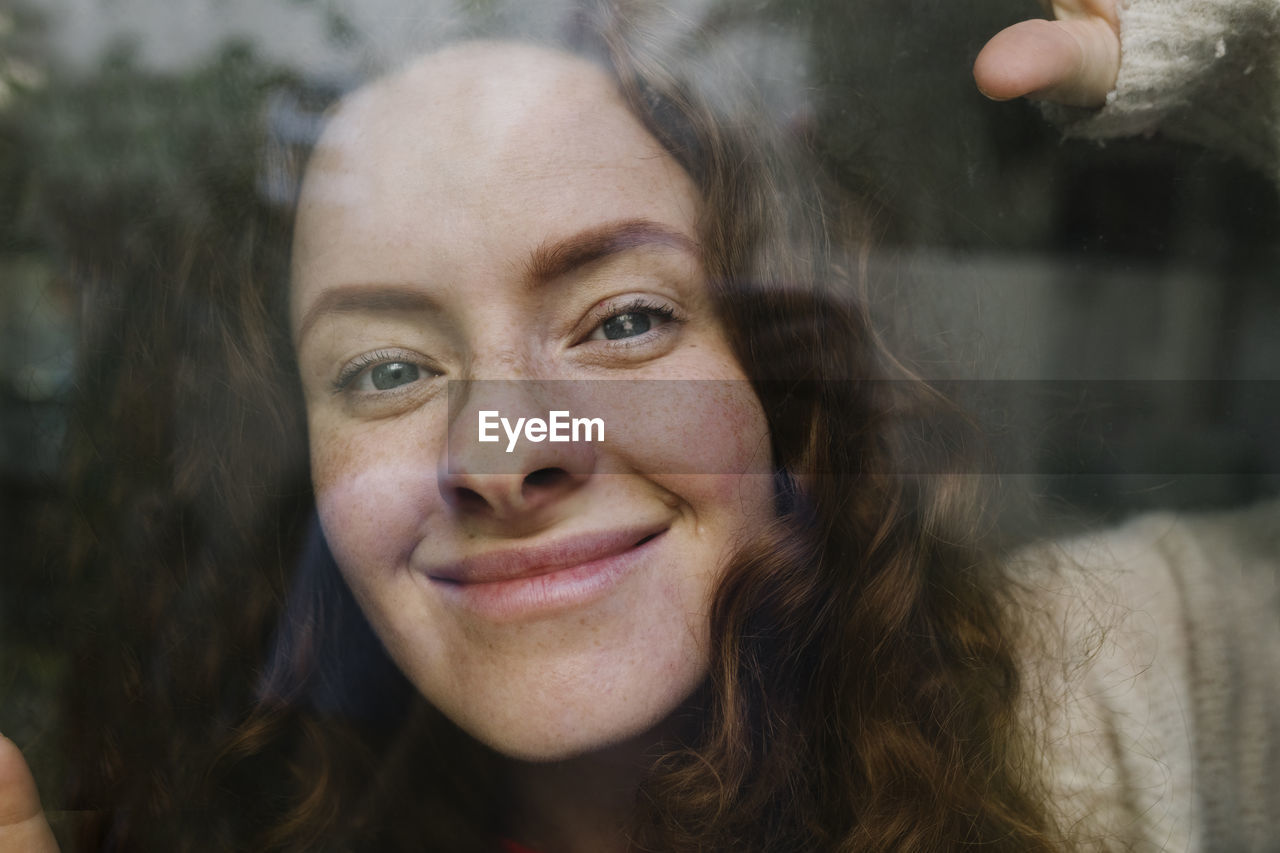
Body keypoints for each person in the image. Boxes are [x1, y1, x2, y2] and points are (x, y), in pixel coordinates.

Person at [2, 0, 1277, 850]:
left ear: (785, 392)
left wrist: (1230, 49)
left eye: (621, 322)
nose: (507, 456)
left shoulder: (1111, 706)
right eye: (386, 368)